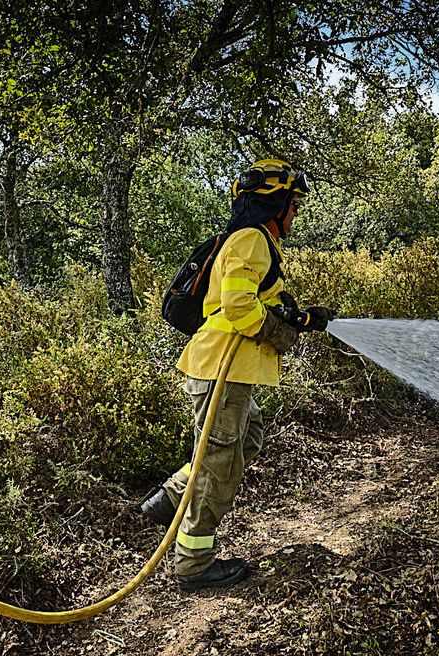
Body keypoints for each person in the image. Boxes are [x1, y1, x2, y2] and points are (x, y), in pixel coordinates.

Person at [139, 159, 335, 590]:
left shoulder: (258, 242)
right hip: (222, 365)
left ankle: (174, 494)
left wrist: (304, 318)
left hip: (227, 368)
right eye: (294, 204)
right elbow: (239, 306)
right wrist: (280, 333)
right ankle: (193, 562)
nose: (296, 213)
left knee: (247, 439)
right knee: (222, 462)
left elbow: (268, 298)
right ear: (276, 203)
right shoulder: (251, 239)